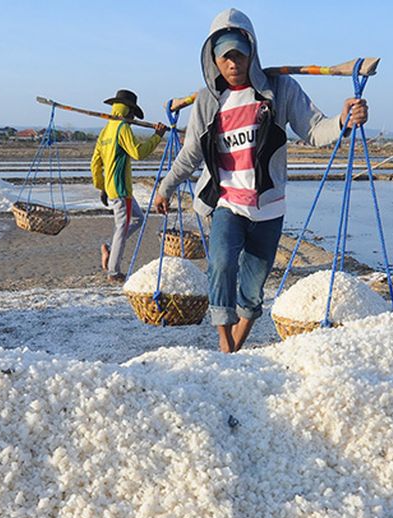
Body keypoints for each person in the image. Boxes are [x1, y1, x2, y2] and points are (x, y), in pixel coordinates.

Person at [153, 8, 368, 352]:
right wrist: (165, 187)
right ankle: (224, 343)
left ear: (252, 53)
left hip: (268, 207)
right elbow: (191, 152)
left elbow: (314, 130)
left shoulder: (279, 90)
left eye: (239, 54)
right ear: (213, 60)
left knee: (253, 284)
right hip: (226, 202)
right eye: (225, 57)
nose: (233, 64)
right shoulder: (208, 101)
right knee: (222, 262)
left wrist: (343, 120)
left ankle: (236, 346)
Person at [91, 89, 167, 283]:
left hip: (114, 188)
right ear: (127, 110)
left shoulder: (106, 130)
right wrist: (157, 136)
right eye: (131, 112)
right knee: (122, 227)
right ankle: (114, 272)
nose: (133, 116)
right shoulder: (122, 128)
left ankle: (110, 247)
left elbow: (95, 163)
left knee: (138, 220)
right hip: (120, 189)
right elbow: (138, 152)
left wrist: (102, 186)